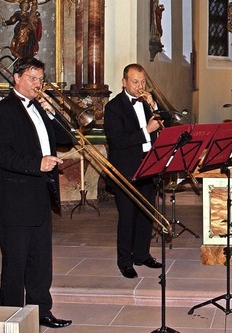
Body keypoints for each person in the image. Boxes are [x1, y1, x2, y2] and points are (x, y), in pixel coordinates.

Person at [0, 57, 74, 328]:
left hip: (39, 197)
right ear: (16, 77)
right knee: (15, 265)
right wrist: (37, 164)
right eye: (33, 79)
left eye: (40, 79)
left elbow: (67, 139)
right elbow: (0, 154)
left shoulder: (38, 107)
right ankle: (10, 319)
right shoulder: (4, 111)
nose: (38, 84)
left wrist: (51, 112)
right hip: (15, 201)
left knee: (40, 263)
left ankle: (41, 311)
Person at [104, 64, 163, 279]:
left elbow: (167, 122)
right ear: (124, 82)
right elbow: (118, 140)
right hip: (126, 169)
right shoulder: (113, 107)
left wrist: (155, 106)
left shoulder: (148, 103)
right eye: (135, 82)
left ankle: (142, 254)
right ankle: (125, 261)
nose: (140, 86)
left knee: (147, 214)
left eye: (142, 82)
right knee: (127, 217)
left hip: (149, 165)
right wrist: (146, 130)